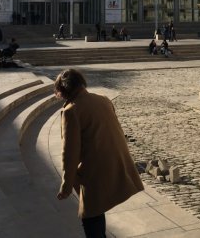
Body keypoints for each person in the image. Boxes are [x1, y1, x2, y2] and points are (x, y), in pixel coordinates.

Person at [55, 69, 143, 238]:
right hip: (117, 162)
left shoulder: (71, 111)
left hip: (96, 168)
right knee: (96, 210)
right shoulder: (103, 100)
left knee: (90, 215)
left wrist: (66, 186)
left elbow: (70, 153)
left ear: (64, 90)